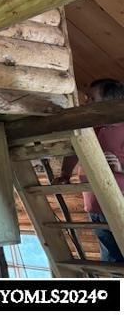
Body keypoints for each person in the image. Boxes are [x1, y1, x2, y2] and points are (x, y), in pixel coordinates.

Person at [55, 78, 124, 262]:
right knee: (111, 260)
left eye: (92, 99)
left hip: (121, 204)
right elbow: (74, 150)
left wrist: (120, 168)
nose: (87, 103)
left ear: (109, 102)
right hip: (96, 206)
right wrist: (65, 174)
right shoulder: (89, 127)